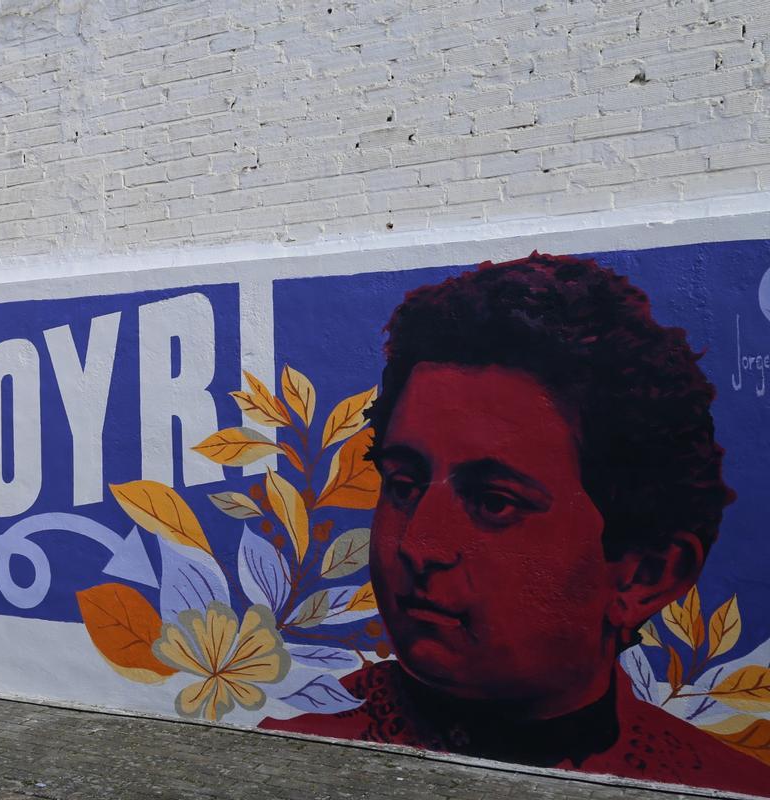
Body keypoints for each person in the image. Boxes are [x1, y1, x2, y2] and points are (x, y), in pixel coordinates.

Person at [262, 253, 770, 795]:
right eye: (404, 486)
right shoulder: (294, 753)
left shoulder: (718, 782)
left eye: (494, 502)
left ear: (643, 574)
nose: (419, 544)